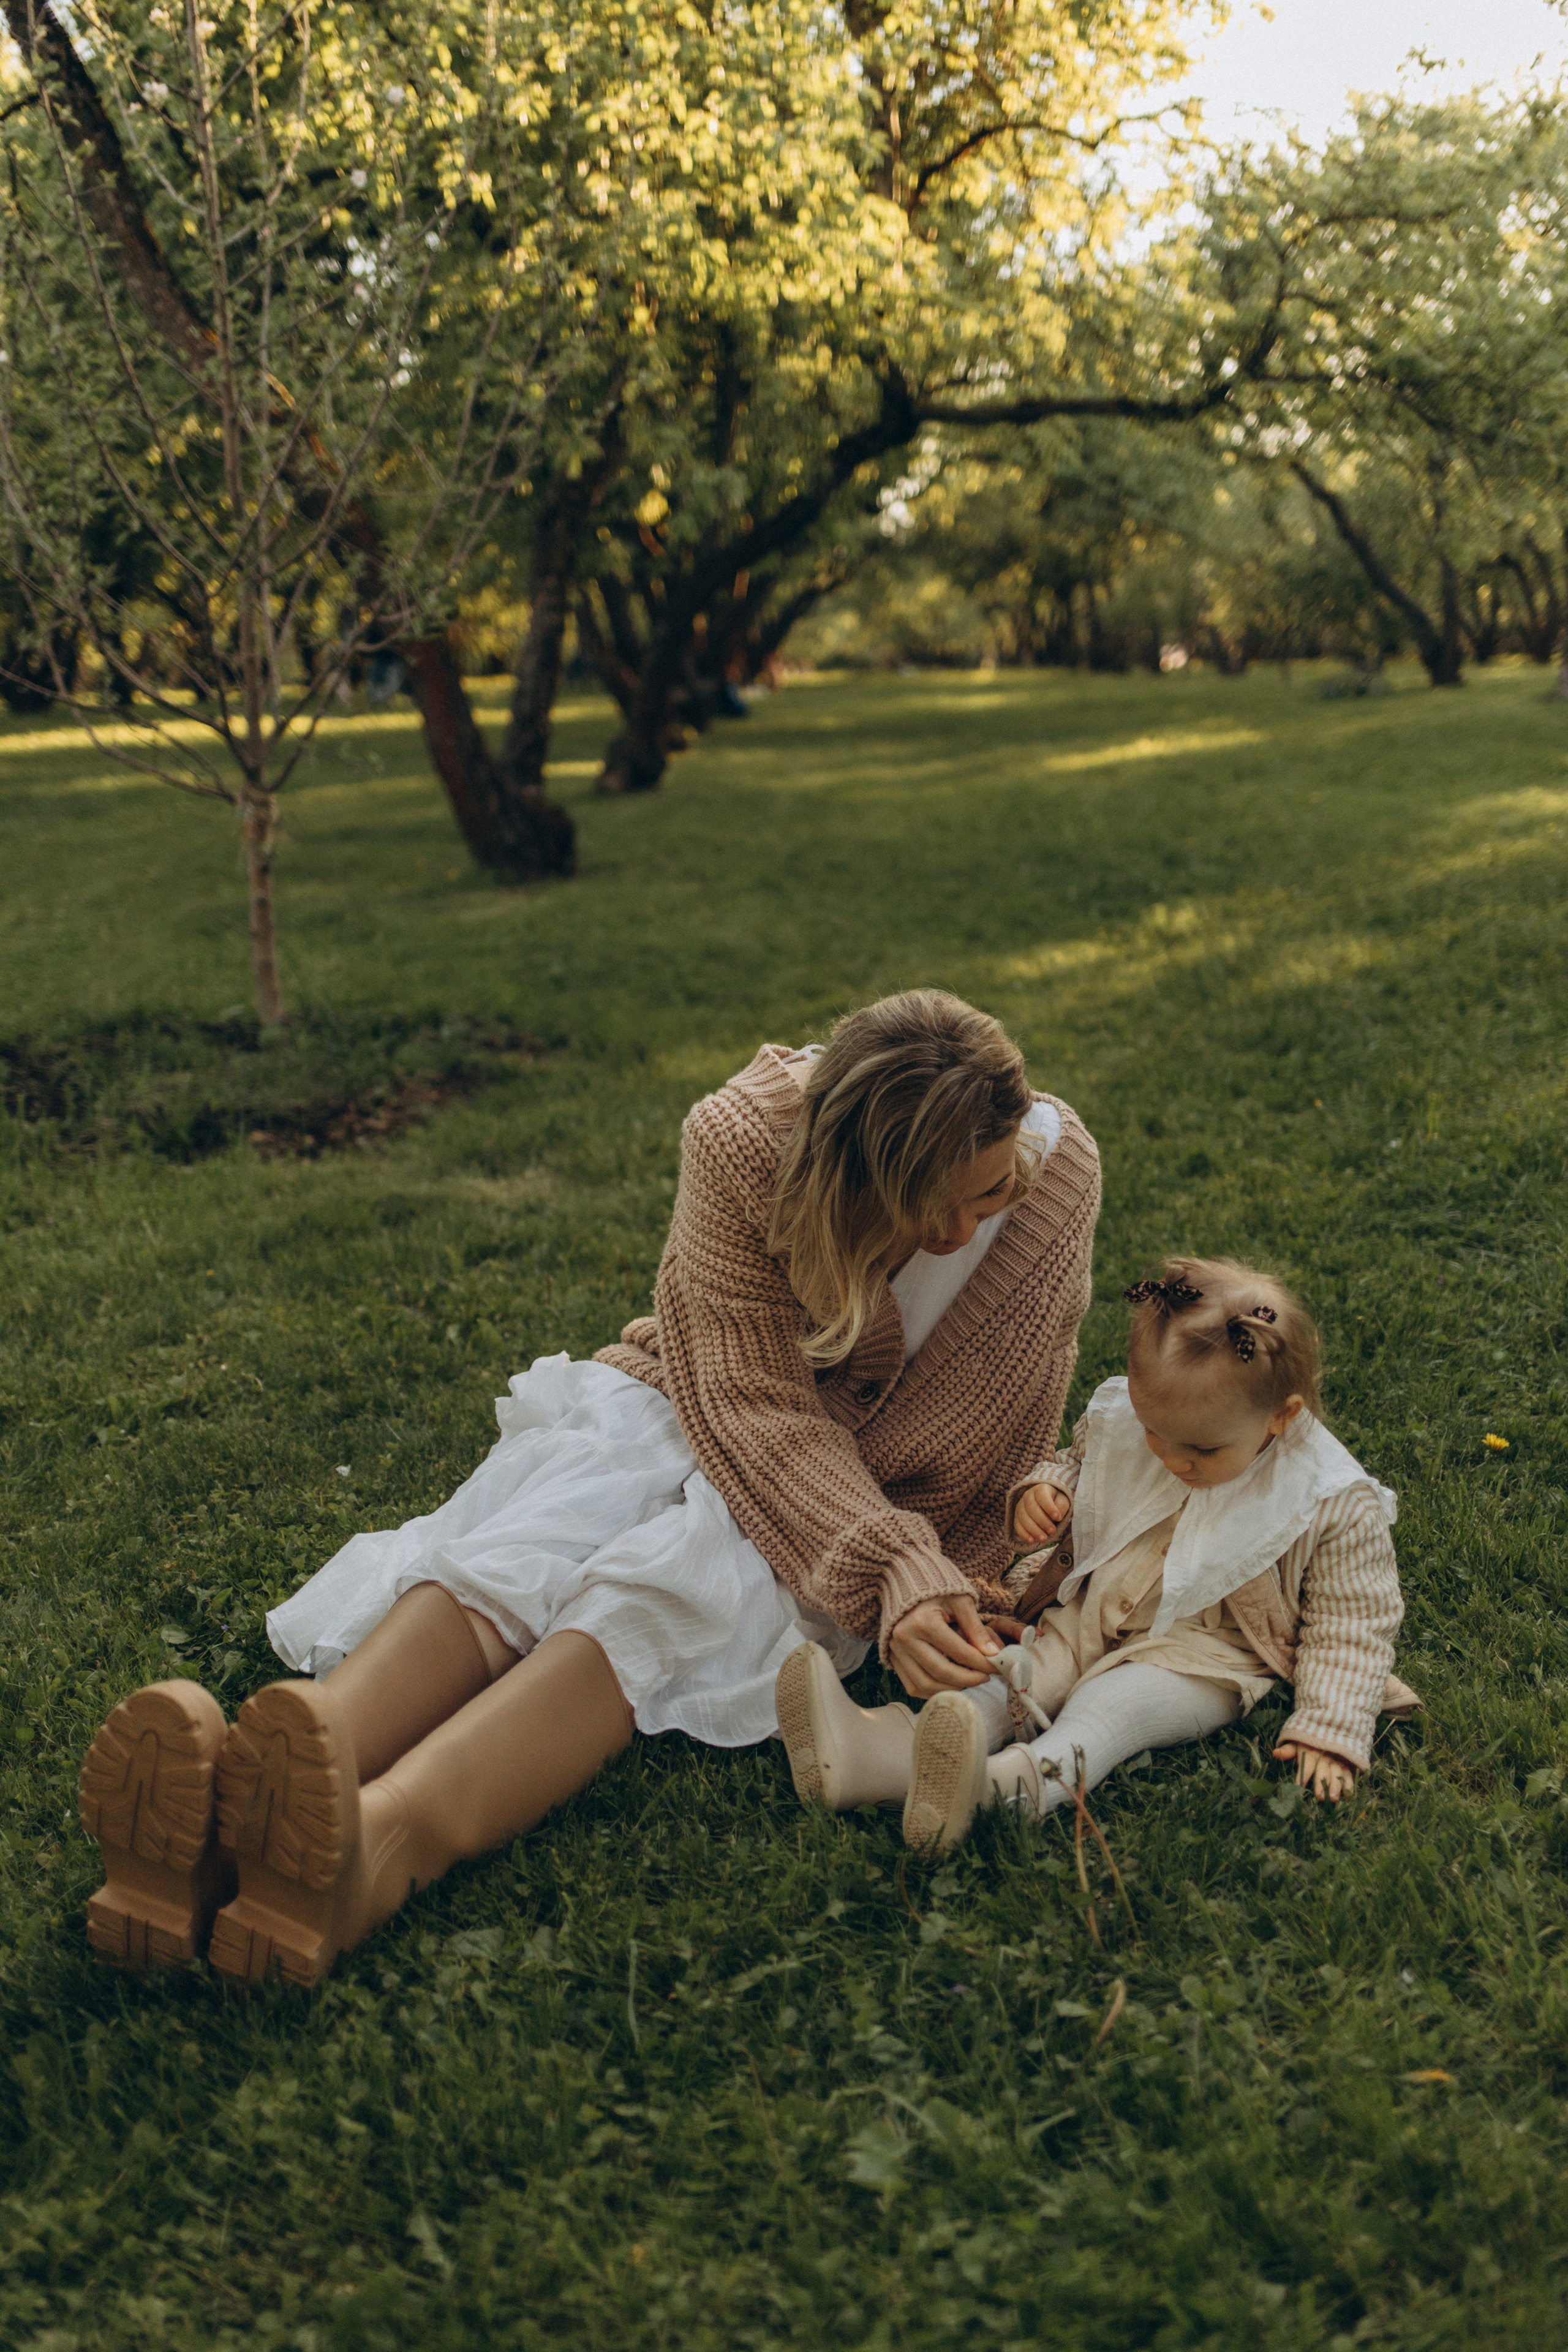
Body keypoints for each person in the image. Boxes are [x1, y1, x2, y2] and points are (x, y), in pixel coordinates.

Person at [78, 990, 1099, 1981]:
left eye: (985, 1197)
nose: (957, 1232)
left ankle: (375, 1848)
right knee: (532, 1545)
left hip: (864, 1491)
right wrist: (892, 1565)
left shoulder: (1058, 1178)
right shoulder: (746, 1140)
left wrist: (934, 1562)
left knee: (657, 1596)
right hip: (698, 1402)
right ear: (847, 1171)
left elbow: (1005, 1408)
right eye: (923, 1208)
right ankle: (230, 1817)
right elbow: (746, 1397)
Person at [781, 1256, 1417, 1854]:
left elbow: (1352, 1623)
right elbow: (1085, 1465)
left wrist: (1330, 1730)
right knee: (1015, 1677)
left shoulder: (1329, 1499)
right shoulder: (1141, 1423)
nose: (1172, 1460)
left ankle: (1001, 1792)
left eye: (1200, 1451)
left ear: (1281, 1417)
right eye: (1154, 1435)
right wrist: (1049, 1491)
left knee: (1112, 1705)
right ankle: (869, 1754)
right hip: (1092, 1610)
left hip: (1203, 1654)